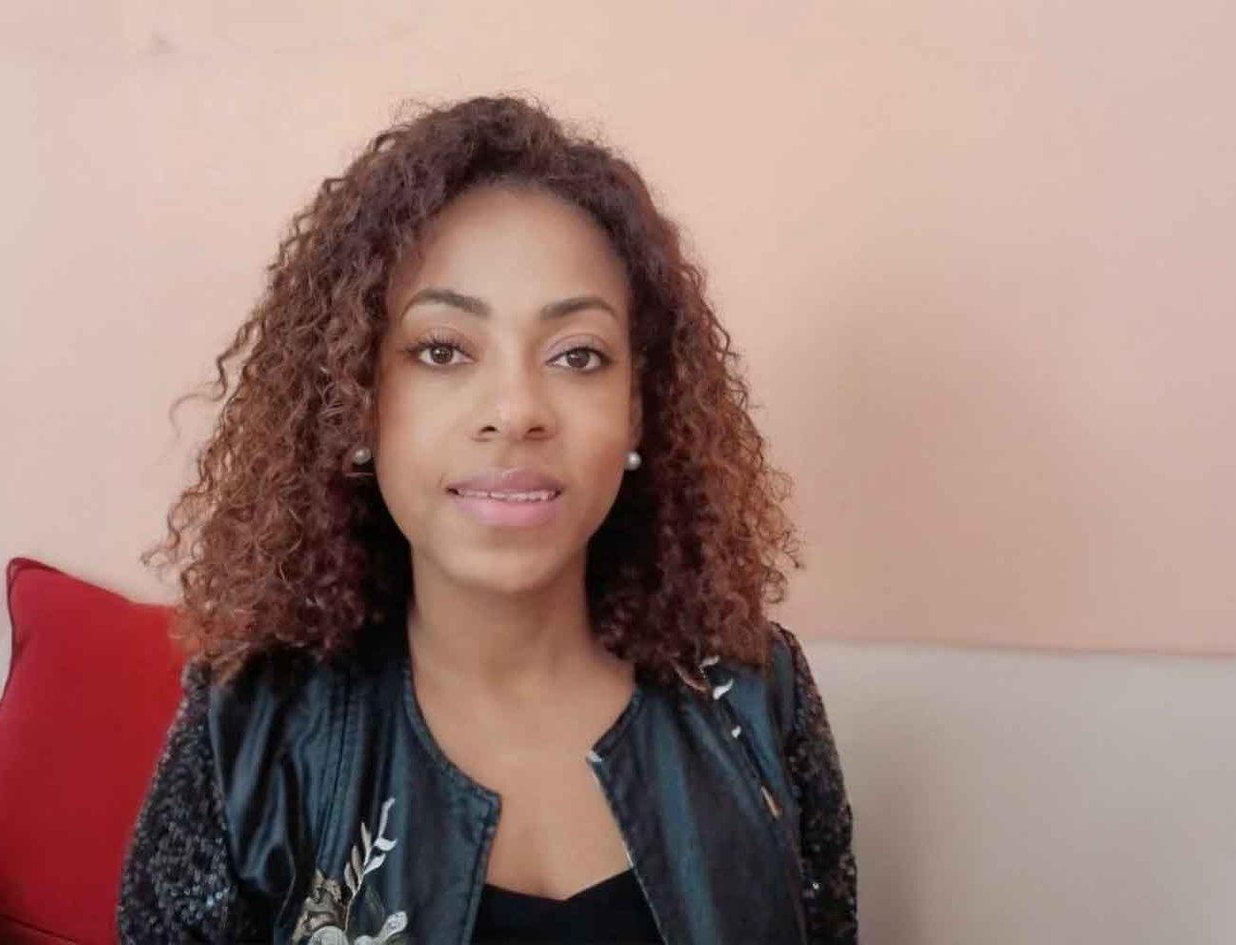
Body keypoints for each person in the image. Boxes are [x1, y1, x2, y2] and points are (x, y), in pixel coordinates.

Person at [117, 94, 857, 944]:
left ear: (638, 410)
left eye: (577, 354)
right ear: (357, 400)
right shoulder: (248, 735)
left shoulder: (759, 697)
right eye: (442, 350)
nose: (516, 410)